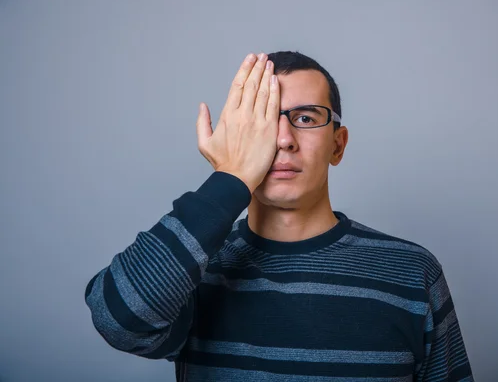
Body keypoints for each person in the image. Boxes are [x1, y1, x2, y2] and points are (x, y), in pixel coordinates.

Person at [85, 51, 474, 381]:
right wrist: (230, 175)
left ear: (338, 146)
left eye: (305, 118)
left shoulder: (411, 270)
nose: (283, 139)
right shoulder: (192, 268)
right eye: (263, 121)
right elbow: (118, 321)